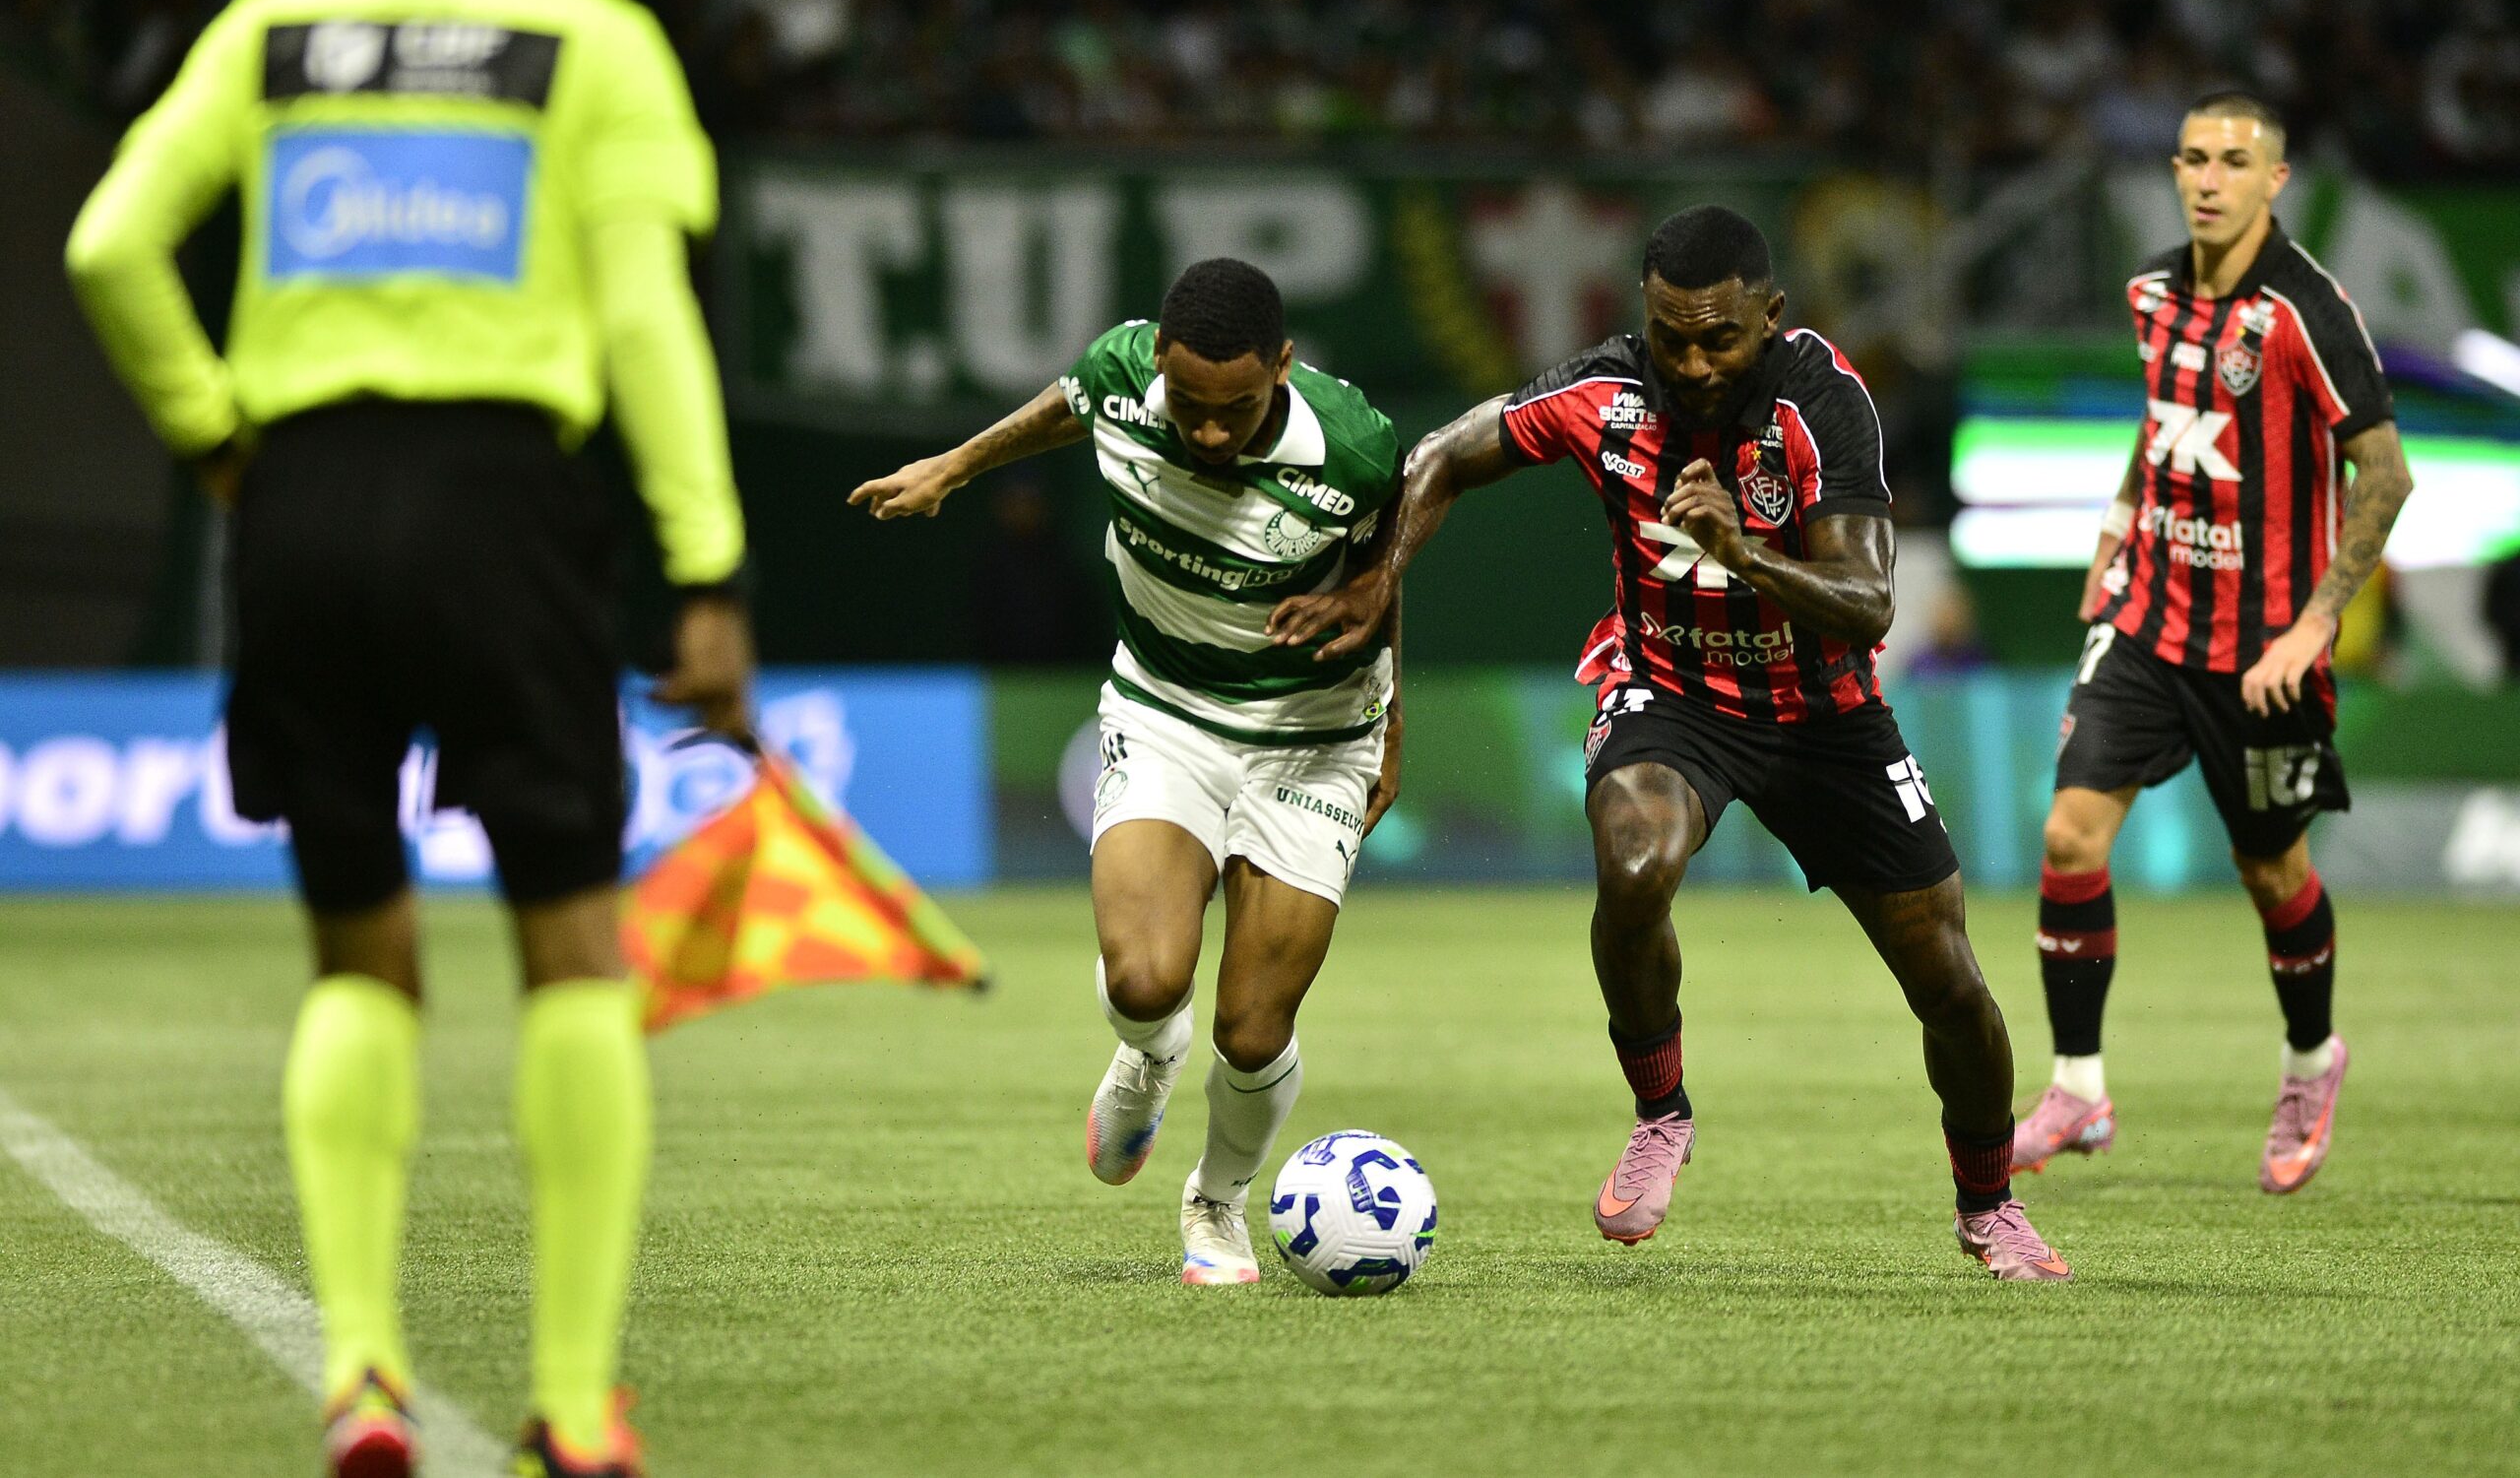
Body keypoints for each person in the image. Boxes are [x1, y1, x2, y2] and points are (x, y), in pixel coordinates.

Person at [62, 0, 754, 1473]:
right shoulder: (596, 37)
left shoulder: (273, 25)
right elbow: (646, 314)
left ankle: (361, 1373)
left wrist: (213, 434)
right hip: (504, 506)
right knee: (572, 951)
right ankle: (574, 1408)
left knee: (358, 956)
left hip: (299, 502)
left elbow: (108, 243)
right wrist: (710, 564)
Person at [1272, 206, 2070, 1281]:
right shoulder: (1604, 392)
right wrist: (1379, 575)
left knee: (1950, 983)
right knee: (1635, 863)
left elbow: (1868, 601)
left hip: (1826, 715)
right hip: (1671, 692)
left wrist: (1744, 550)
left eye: (1718, 339)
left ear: (1770, 316)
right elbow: (1443, 455)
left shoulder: (1824, 400)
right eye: (1669, 336)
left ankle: (1989, 1205)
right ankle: (1661, 1111)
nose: (1691, 364)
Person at [851, 259, 1401, 1286]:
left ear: (1283, 366)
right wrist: (955, 466)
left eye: (1236, 409)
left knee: (1253, 1028)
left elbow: (1381, 578)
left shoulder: (1356, 449)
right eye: (1189, 404)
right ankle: (1148, 1052)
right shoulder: (1119, 373)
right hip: (1164, 710)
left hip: (1313, 730)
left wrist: (1391, 726)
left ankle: (1218, 1200)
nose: (1209, 433)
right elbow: (1067, 407)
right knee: (1146, 982)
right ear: (1156, 362)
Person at [2016, 92, 2413, 1194]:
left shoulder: (2306, 310)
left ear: (2275, 180)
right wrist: (2115, 529)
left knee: (2270, 868)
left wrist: (2315, 625)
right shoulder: (2150, 291)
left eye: (2234, 162)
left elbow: (2385, 475)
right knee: (2069, 836)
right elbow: (2163, 427)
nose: (2207, 178)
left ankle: (2310, 1060)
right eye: (2193, 158)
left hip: (2264, 648)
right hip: (2150, 618)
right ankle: (2079, 1087)